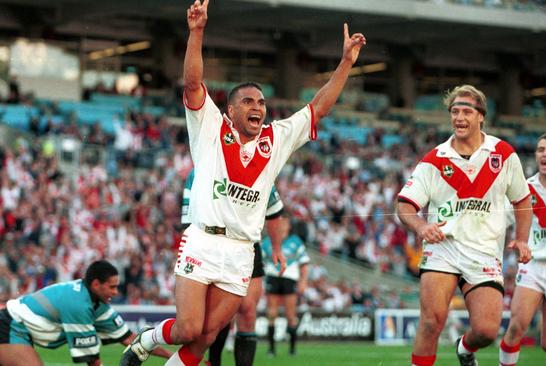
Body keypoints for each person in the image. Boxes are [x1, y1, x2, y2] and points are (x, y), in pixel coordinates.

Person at [120, 1, 366, 365]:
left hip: (242, 252)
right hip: (203, 239)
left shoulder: (276, 138)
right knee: (188, 329)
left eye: (262, 102)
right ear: (231, 110)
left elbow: (319, 108)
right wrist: (197, 32)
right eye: (248, 101)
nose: (258, 106)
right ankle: (144, 342)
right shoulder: (211, 127)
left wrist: (345, 63)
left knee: (205, 337)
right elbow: (191, 83)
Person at [396, 84, 533, 366]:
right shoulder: (434, 160)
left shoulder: (504, 154)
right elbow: (405, 206)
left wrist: (522, 239)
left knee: (485, 331)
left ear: (481, 116)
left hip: (484, 251)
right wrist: (421, 227)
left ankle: (465, 347)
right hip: (442, 250)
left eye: (466, 111)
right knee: (431, 321)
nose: (459, 117)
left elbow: (522, 200)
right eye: (454, 111)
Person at [0, 260, 171, 366]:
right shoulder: (78, 304)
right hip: (9, 328)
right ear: (96, 284)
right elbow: (91, 358)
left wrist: (172, 357)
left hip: (10, 328)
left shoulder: (99, 305)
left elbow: (132, 339)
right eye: (111, 287)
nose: (115, 292)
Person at [182, 168, 285, 366]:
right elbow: (188, 218)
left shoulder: (260, 169)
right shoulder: (200, 170)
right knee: (217, 318)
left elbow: (274, 211)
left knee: (247, 311)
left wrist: (277, 247)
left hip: (246, 246)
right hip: (208, 247)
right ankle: (214, 361)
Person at [499, 133, 546, 366]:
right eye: (540, 150)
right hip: (534, 265)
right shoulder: (525, 188)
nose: (545, 154)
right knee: (516, 326)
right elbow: (500, 221)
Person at [261, 213, 309, 357]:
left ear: (289, 226)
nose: (282, 226)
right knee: (271, 314)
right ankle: (271, 349)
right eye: (280, 223)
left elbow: (304, 264)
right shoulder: (267, 242)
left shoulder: (296, 241)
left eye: (285, 223)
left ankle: (292, 349)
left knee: (290, 315)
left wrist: (303, 281)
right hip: (272, 278)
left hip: (289, 279)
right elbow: (259, 262)